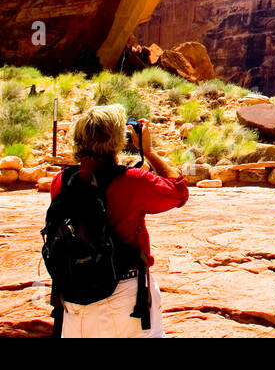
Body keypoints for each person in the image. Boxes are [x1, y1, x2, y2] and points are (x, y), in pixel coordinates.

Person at [47, 104, 188, 337]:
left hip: (74, 297)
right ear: (117, 140)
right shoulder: (132, 181)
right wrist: (149, 152)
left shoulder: (61, 182)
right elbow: (179, 192)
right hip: (126, 298)